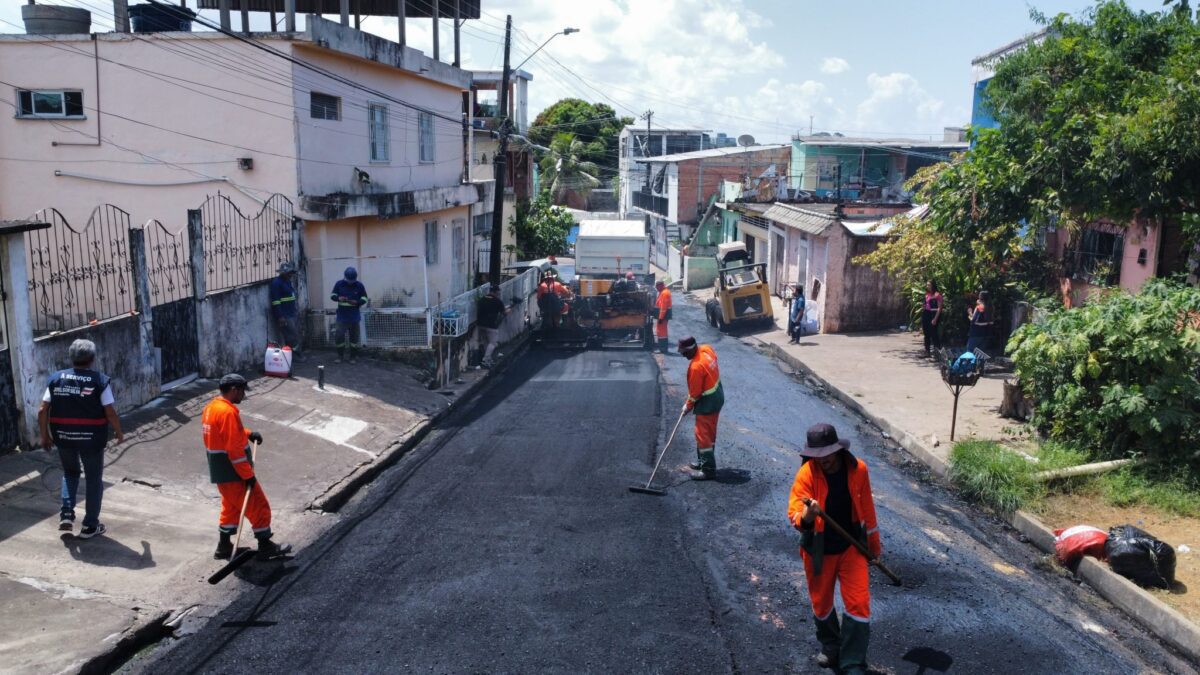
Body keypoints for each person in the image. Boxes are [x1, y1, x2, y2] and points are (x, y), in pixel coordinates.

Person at [787, 423, 882, 675]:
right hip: (818, 549)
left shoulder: (858, 469)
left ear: (838, 450)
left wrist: (873, 547)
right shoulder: (807, 473)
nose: (824, 461)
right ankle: (831, 645)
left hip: (851, 546)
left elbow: (868, 513)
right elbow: (795, 515)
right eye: (818, 456)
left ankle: (852, 662)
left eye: (827, 454)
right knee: (822, 603)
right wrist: (808, 513)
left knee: (859, 602)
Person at [38, 339, 124, 538]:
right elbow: (109, 411)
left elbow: (42, 410)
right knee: (93, 479)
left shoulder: (56, 378)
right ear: (92, 359)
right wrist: (118, 431)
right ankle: (90, 526)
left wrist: (45, 436)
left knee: (70, 472)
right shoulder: (99, 381)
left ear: (71, 357)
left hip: (64, 436)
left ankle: (66, 514)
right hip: (91, 438)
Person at [202, 374, 291, 561]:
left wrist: (248, 434)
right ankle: (265, 545)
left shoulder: (212, 408)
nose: (243, 395)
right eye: (242, 391)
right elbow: (234, 449)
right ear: (234, 389)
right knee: (258, 504)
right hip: (234, 473)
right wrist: (248, 476)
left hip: (221, 472)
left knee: (232, 507)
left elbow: (228, 434)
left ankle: (224, 547)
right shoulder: (227, 412)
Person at [678, 336, 723, 480]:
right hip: (717, 396)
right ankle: (703, 462)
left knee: (702, 435)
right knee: (709, 433)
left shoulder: (696, 367)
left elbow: (695, 394)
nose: (682, 354)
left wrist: (687, 407)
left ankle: (708, 470)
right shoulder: (706, 350)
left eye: (684, 352)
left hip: (707, 402)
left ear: (691, 350)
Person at [330, 267, 368, 364]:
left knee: (354, 338)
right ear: (345, 277)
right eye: (349, 280)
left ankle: (353, 357)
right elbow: (332, 296)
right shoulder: (339, 284)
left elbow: (365, 298)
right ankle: (340, 356)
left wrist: (357, 302)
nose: (350, 282)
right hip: (342, 317)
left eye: (352, 280)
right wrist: (339, 298)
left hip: (354, 317)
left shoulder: (359, 286)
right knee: (339, 336)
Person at [269, 262, 302, 362]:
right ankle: (296, 356)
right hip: (284, 314)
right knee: (292, 336)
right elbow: (276, 301)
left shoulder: (287, 281)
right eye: (289, 273)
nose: (290, 275)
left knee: (293, 335)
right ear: (283, 273)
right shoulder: (276, 283)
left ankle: (292, 355)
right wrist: (280, 316)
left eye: (291, 273)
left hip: (291, 312)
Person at [476, 285, 508, 368]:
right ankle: (485, 359)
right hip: (491, 325)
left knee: (486, 342)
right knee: (493, 343)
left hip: (480, 324)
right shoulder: (497, 301)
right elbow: (504, 313)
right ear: (496, 292)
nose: (499, 294)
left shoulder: (482, 299)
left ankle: (489, 359)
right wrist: (509, 309)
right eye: (498, 292)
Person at [922, 280, 943, 356]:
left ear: (933, 285)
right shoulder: (927, 295)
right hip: (926, 314)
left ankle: (937, 352)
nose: (927, 286)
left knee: (933, 333)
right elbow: (925, 305)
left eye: (929, 285)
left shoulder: (937, 295)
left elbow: (940, 308)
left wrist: (935, 319)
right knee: (926, 333)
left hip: (933, 314)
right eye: (927, 285)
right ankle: (927, 351)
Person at [653, 280, 673, 354]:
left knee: (662, 333)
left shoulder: (665, 293)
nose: (656, 288)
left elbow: (663, 308)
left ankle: (663, 349)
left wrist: (661, 318)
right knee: (661, 332)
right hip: (663, 316)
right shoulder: (664, 292)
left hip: (663, 317)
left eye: (657, 287)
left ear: (660, 286)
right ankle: (663, 349)